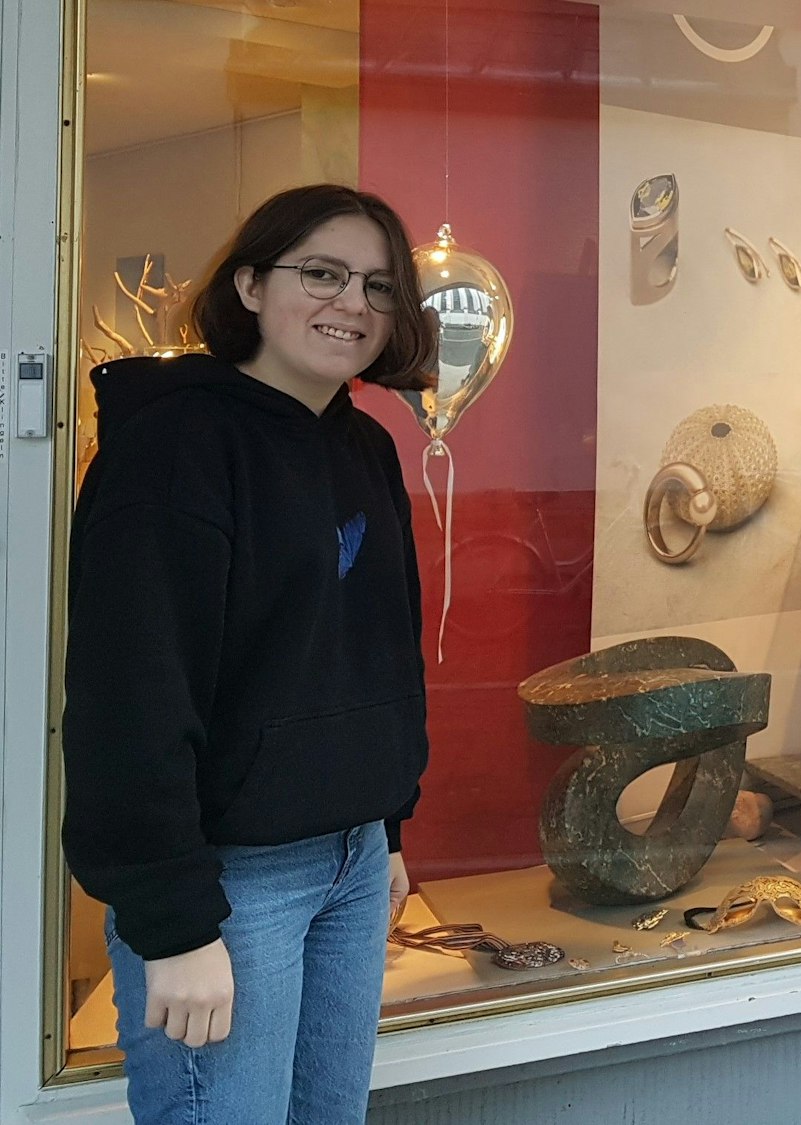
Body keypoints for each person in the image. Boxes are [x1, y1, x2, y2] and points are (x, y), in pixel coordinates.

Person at [62, 184, 436, 1124]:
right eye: (321, 273)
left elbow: (377, 655)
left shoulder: (366, 449)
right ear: (249, 287)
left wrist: (384, 827)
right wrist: (174, 924)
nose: (352, 302)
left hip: (352, 866)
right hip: (232, 883)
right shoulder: (174, 448)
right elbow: (129, 699)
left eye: (379, 286)